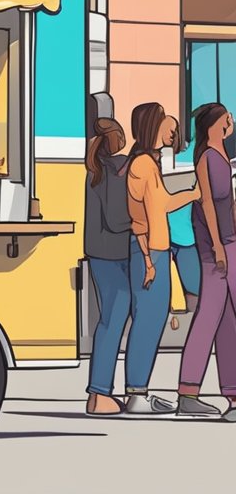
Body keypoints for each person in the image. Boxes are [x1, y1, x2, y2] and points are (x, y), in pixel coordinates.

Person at [124, 103, 201, 415]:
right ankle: (136, 394)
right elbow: (150, 211)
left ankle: (138, 392)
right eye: (167, 125)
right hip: (149, 252)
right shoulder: (142, 164)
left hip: (155, 249)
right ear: (153, 125)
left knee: (151, 321)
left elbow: (161, 204)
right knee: (147, 322)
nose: (173, 131)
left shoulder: (148, 163)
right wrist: (148, 260)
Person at [177, 103, 236, 418]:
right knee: (210, 313)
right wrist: (217, 245)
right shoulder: (206, 159)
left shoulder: (223, 155)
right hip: (216, 246)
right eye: (227, 116)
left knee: (228, 318)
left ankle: (233, 394)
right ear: (215, 123)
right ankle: (188, 392)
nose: (232, 120)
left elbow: (229, 202)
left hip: (229, 240)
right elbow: (208, 203)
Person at [83, 118, 133, 415]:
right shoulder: (113, 171)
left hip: (99, 255)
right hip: (114, 255)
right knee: (112, 321)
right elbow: (116, 219)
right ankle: (99, 394)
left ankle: (100, 392)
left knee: (110, 320)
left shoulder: (96, 170)